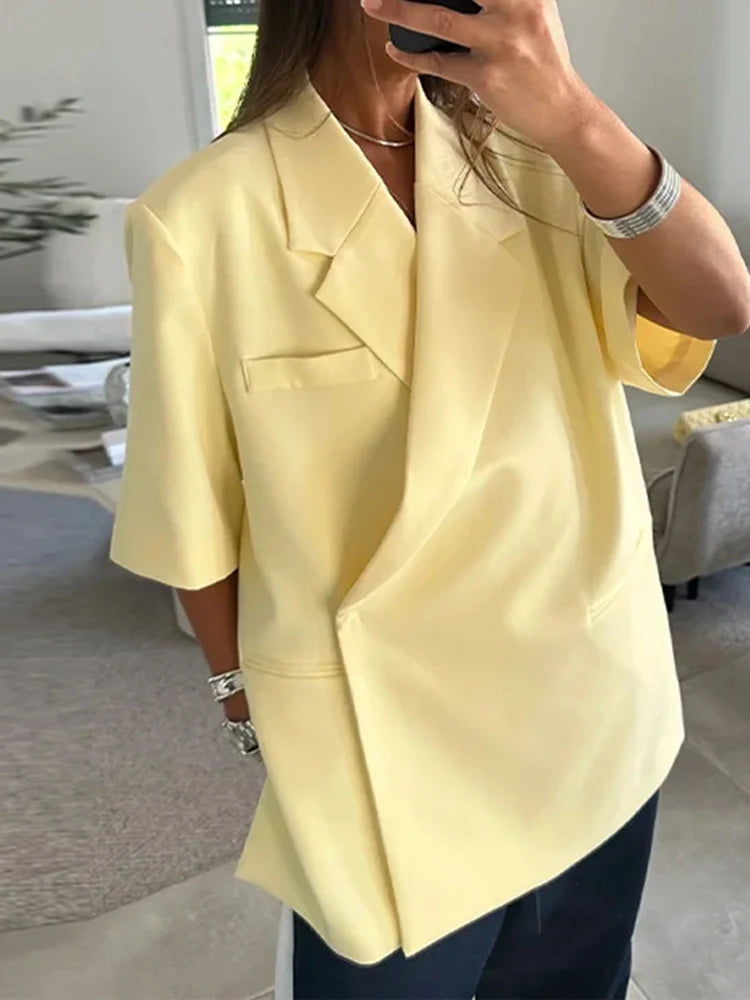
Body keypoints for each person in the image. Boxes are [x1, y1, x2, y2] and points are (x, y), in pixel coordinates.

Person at [110, 0, 750, 997]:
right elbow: (188, 513)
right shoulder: (199, 215)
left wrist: (572, 110)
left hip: (586, 700)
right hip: (381, 754)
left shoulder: (538, 161)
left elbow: (720, 302)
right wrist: (244, 703)